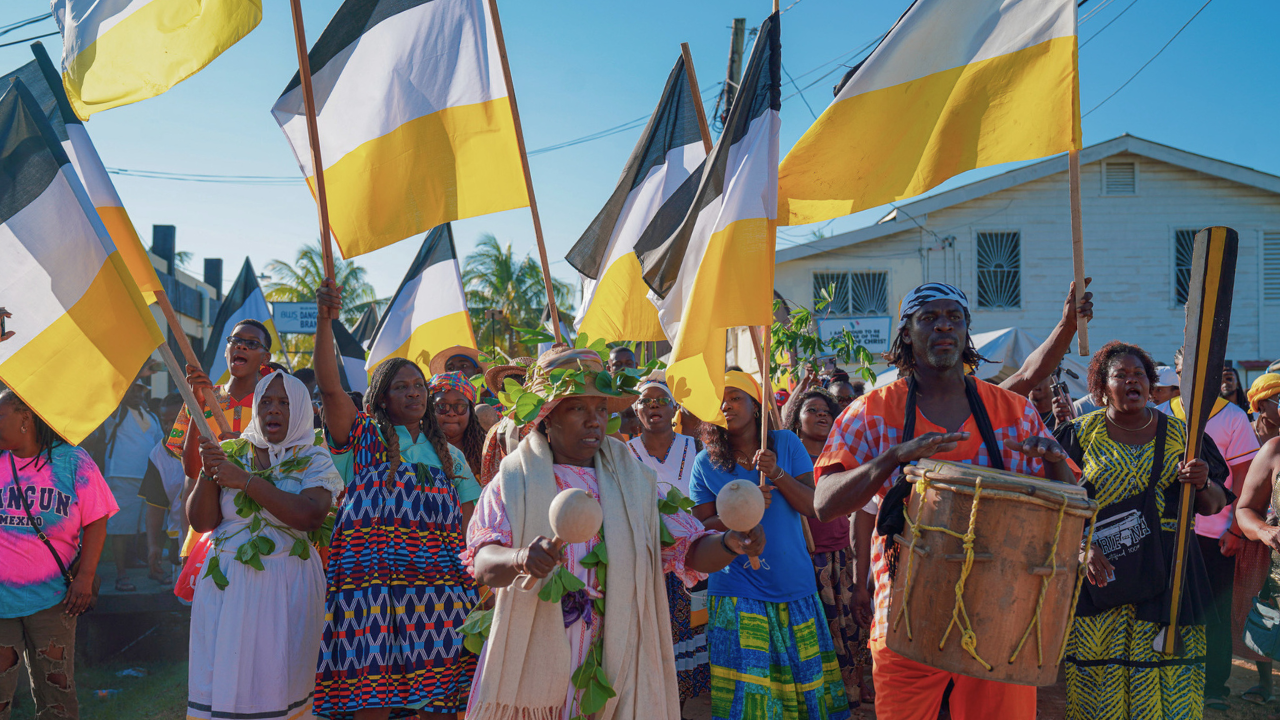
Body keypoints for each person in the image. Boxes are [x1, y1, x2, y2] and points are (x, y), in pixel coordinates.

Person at [810, 282, 1076, 720]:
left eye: (954, 317)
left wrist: (1054, 465)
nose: (943, 327)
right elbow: (824, 503)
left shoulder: (1012, 411)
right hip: (907, 616)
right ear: (907, 333)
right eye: (928, 318)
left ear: (967, 330)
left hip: (1000, 614)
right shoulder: (870, 411)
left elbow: (1066, 505)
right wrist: (894, 456)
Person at [464, 347, 764, 720]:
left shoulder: (636, 481)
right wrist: (520, 558)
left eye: (601, 409)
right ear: (547, 416)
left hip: (618, 653)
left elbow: (688, 549)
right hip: (536, 649)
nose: (595, 421)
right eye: (577, 408)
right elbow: (482, 561)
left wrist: (730, 543)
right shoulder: (514, 480)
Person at [313, 280, 481, 720]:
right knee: (374, 692)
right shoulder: (363, 435)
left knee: (440, 692)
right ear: (382, 397)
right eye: (402, 387)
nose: (415, 394)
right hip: (372, 584)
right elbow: (330, 389)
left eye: (419, 387)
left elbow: (467, 525)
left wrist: (472, 578)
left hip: (437, 588)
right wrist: (324, 322)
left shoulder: (450, 455)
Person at [1056, 341, 1229, 719]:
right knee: (1098, 683)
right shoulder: (1078, 436)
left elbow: (1215, 504)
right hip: (1103, 572)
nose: (1131, 382)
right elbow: (1056, 506)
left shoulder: (1185, 437)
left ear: (1152, 386)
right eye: (1121, 375)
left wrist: (1201, 483)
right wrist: (1082, 546)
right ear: (1102, 387)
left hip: (1171, 571)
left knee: (1170, 681)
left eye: (1139, 376)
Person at [689, 371, 851, 720]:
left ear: (755, 404)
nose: (726, 405)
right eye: (720, 400)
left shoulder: (787, 444)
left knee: (805, 695)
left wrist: (777, 473)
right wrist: (739, 509)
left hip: (794, 586)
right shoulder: (704, 462)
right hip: (735, 588)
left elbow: (812, 506)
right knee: (751, 703)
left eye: (735, 397)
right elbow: (699, 529)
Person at [186, 371, 343, 720]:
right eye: (267, 402)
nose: (274, 410)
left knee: (281, 677)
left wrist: (245, 482)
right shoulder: (230, 452)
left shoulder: (315, 458)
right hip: (226, 586)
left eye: (285, 403)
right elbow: (202, 522)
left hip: (288, 585)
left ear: (302, 409)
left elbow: (310, 515)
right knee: (225, 676)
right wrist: (208, 472)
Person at [0, 389, 114, 718]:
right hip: (1, 604)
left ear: (26, 419)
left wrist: (86, 576)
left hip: (54, 600)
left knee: (57, 695)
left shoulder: (72, 461)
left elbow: (97, 520)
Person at [1157, 347, 1260, 709]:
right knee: (1169, 606)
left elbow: (1247, 480)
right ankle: (1169, 674)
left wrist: (1234, 530)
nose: (1199, 378)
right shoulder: (1160, 414)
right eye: (1189, 370)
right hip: (1168, 533)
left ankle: (1213, 685)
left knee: (1213, 611)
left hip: (1214, 535)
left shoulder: (1233, 417)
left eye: (1208, 370)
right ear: (1178, 372)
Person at [786, 387, 873, 709]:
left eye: (826, 410)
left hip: (843, 554)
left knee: (852, 627)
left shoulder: (844, 457)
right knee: (817, 635)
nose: (822, 414)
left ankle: (855, 686)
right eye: (812, 409)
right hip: (805, 556)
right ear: (796, 418)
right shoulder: (788, 458)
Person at [624, 375, 708, 708]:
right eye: (645, 401)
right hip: (648, 557)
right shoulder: (624, 452)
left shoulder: (695, 446)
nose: (654, 406)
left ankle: (682, 705)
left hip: (695, 557)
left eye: (661, 400)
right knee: (655, 633)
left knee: (691, 629)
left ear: (674, 407)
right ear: (635, 409)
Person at [1232, 373, 1280, 705]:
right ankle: (1265, 683)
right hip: (1274, 562)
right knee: (1266, 623)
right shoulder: (1273, 450)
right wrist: (1265, 530)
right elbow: (1245, 507)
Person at [99, 380, 164, 592]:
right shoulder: (117, 413)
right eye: (132, 389)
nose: (137, 393)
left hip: (149, 477)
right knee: (121, 528)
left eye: (140, 389)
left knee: (149, 527)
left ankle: (153, 568)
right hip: (121, 475)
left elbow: (160, 444)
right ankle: (121, 575)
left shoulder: (152, 416)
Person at [140, 393, 187, 584]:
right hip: (179, 539)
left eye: (175, 421)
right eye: (164, 421)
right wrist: (154, 546)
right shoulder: (158, 456)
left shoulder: (212, 446)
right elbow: (155, 507)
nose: (169, 427)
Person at [478, 358, 533, 486]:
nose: (513, 390)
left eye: (521, 381)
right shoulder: (497, 428)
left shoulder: (546, 421)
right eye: (507, 385)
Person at [428, 371, 486, 477]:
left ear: (470, 412)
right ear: (430, 409)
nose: (451, 413)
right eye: (442, 406)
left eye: (460, 407)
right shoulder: (418, 448)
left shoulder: (486, 453)